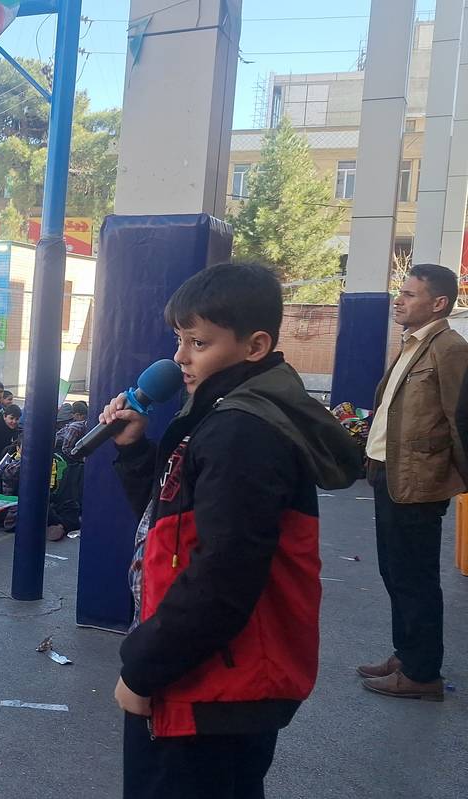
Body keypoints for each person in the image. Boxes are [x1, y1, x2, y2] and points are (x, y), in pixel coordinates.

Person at [99, 262, 360, 798]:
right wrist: (133, 452)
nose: (180, 357)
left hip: (213, 685)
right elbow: (169, 527)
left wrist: (143, 668)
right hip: (210, 677)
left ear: (255, 345)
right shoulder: (217, 418)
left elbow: (224, 575)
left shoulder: (242, 432)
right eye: (179, 338)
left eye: (199, 341)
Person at [359, 264, 468, 701]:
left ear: (438, 303)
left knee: (415, 577)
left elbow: (461, 420)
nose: (398, 300)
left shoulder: (450, 349)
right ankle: (406, 654)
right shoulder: (413, 344)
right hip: (391, 474)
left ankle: (423, 674)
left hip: (418, 482)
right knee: (394, 570)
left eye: (408, 293)